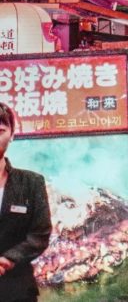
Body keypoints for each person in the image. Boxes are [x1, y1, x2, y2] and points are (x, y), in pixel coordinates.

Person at [0, 103, 51, 302]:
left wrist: (7, 260)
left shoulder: (31, 183)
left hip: (18, 289)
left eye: (0, 130)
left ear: (12, 135)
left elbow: (40, 234)